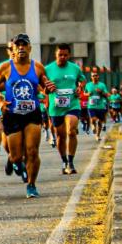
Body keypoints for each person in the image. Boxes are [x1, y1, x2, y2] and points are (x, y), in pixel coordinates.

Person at [0, 34, 56, 198]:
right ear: (13, 49)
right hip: (12, 114)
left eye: (24, 45)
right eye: (17, 45)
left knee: (32, 151)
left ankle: (31, 185)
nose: (21, 48)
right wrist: (0, 102)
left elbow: (44, 87)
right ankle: (12, 160)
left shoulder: (38, 67)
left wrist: (49, 88)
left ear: (29, 48)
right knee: (17, 155)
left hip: (32, 113)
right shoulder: (5, 67)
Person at [45, 43, 86, 175]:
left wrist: (80, 87)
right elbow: (41, 87)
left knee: (71, 131)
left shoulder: (75, 68)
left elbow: (82, 80)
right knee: (61, 136)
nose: (62, 57)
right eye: (60, 55)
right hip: (56, 107)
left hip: (72, 104)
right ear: (55, 55)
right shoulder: (48, 69)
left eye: (65, 55)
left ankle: (71, 161)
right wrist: (47, 89)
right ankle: (64, 160)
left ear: (69, 55)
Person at [85, 71, 109, 141]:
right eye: (93, 76)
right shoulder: (88, 85)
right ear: (91, 77)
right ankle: (93, 126)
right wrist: (88, 94)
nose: (94, 77)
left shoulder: (102, 85)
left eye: (96, 75)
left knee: (100, 122)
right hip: (91, 106)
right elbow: (84, 93)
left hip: (100, 106)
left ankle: (98, 135)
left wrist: (101, 92)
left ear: (98, 77)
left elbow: (107, 94)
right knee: (93, 119)